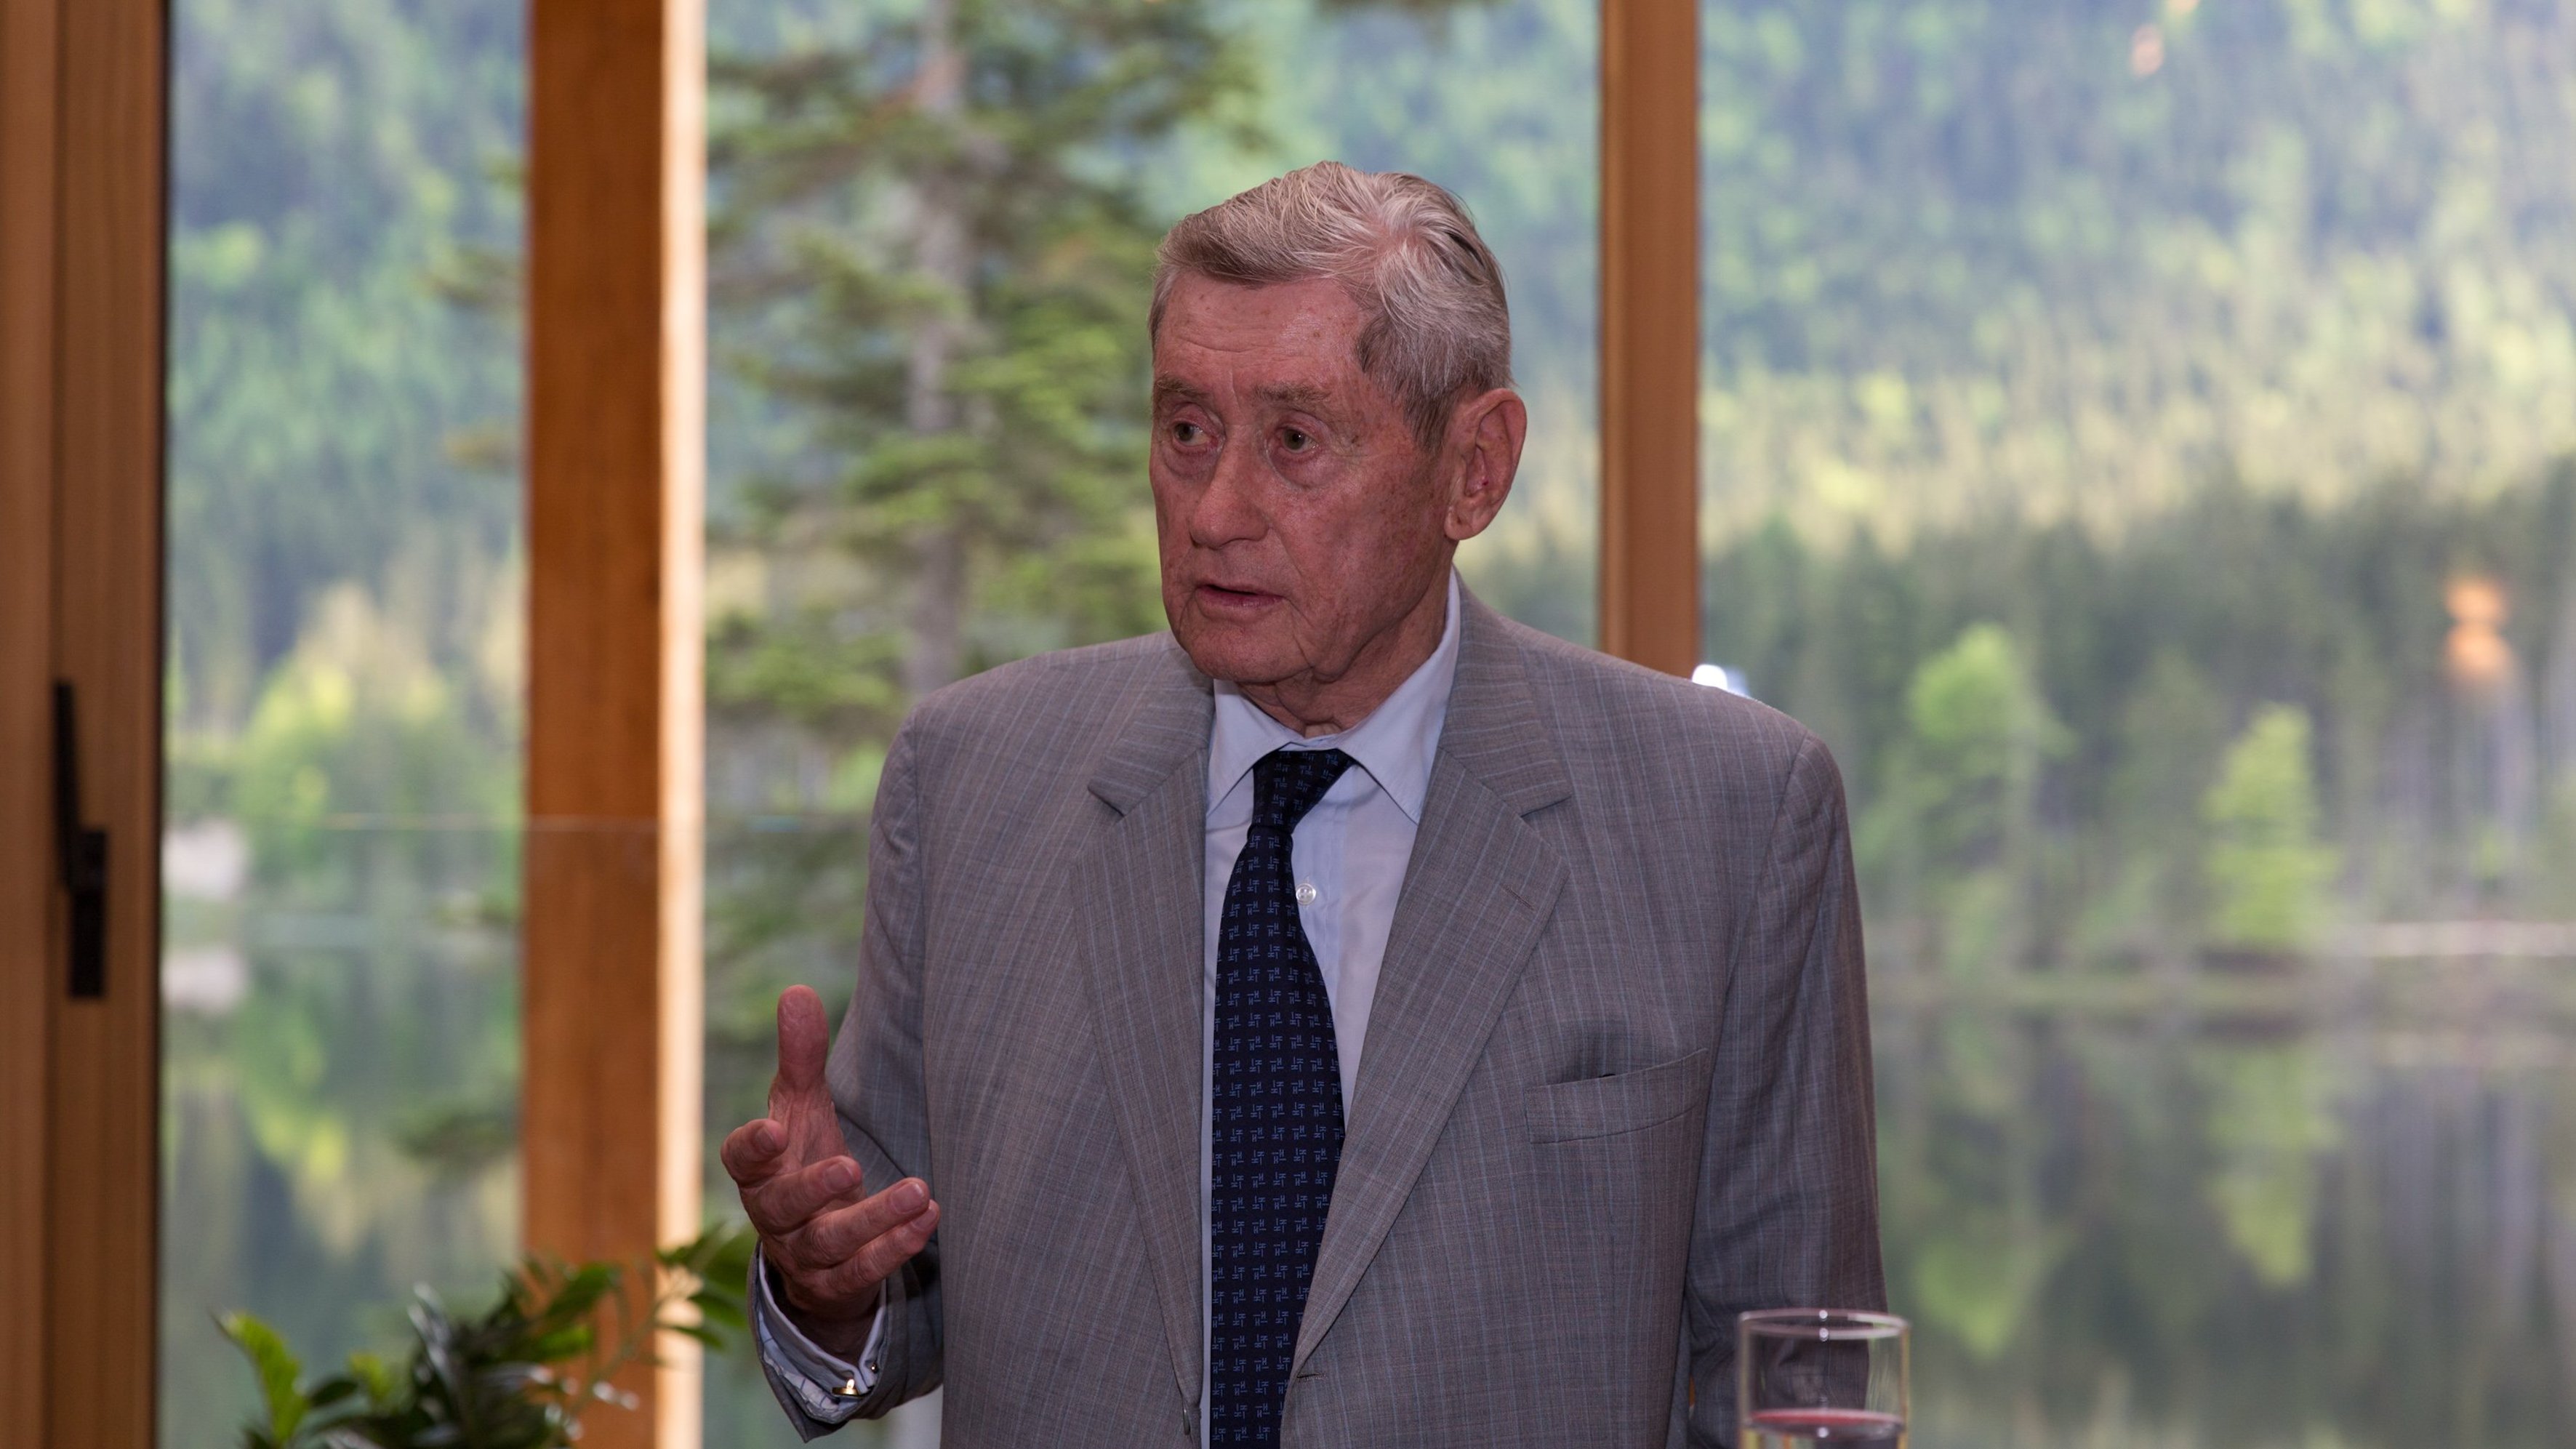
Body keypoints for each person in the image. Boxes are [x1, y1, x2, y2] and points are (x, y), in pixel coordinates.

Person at [721, 160, 1882, 1448]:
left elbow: (1797, 1382)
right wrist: (822, 1287)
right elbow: (884, 1289)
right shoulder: (972, 783)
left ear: (1475, 469)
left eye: (1294, 442)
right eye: (1186, 431)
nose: (1216, 512)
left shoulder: (1730, 819)